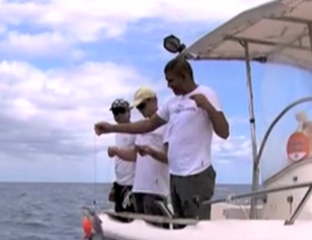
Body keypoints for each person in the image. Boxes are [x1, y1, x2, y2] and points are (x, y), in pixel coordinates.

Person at [94, 56, 229, 220]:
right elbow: (147, 125)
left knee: (196, 228)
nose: (168, 85)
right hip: (176, 176)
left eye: (171, 80)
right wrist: (110, 128)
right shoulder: (171, 103)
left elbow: (224, 132)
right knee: (179, 227)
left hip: (196, 174)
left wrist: (207, 106)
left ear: (184, 76)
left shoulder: (207, 94)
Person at [112, 86, 169, 216]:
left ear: (153, 101)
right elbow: (134, 155)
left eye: (142, 105)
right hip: (138, 188)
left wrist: (150, 151)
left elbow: (170, 158)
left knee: (156, 230)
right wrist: (116, 151)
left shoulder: (165, 125)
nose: (140, 110)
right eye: (138, 107)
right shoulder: (141, 127)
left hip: (156, 190)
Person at [106, 98, 136, 215]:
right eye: (115, 112)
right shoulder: (117, 132)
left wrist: (117, 151)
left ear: (128, 112)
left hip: (131, 183)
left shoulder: (135, 131)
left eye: (121, 111)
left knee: (129, 214)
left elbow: (137, 155)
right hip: (120, 182)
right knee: (118, 213)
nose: (117, 115)